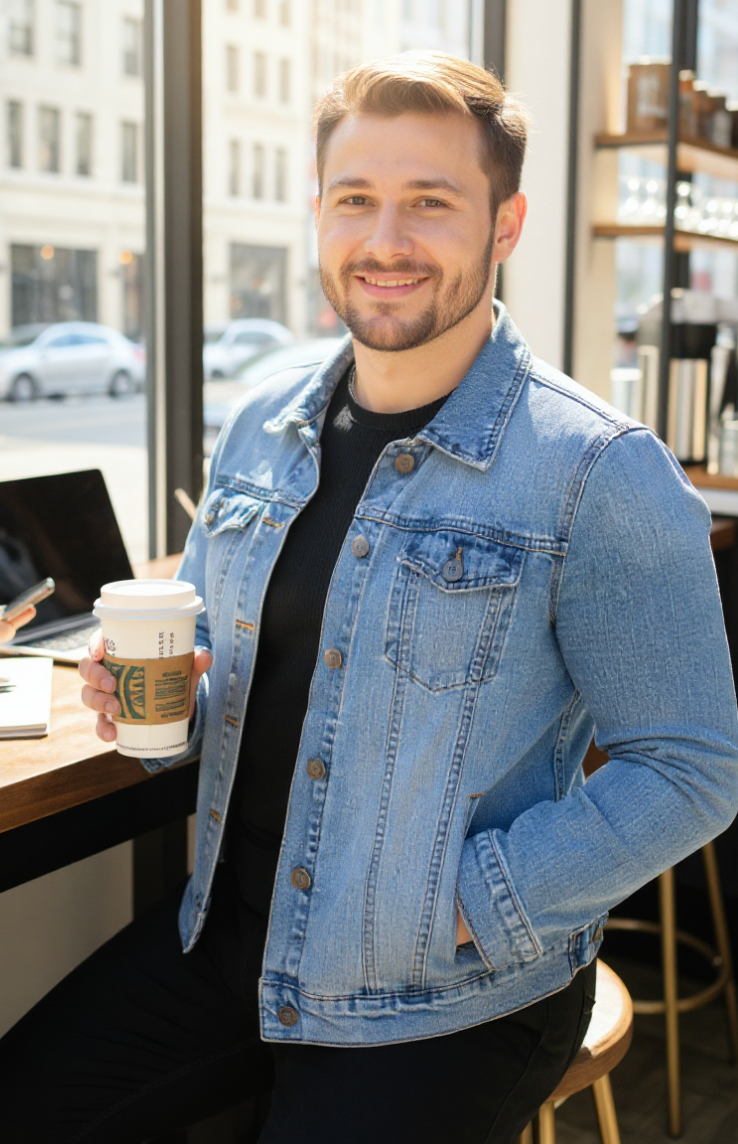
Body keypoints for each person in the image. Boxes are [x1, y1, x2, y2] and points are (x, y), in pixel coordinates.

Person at [2, 51, 738, 1144]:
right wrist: (153, 708)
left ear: (507, 224)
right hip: (233, 936)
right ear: (318, 215)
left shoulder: (599, 471)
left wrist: (473, 903)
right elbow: (231, 680)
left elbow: (691, 767)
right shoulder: (263, 423)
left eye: (430, 203)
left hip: (445, 990)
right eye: (356, 199)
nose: (385, 240)